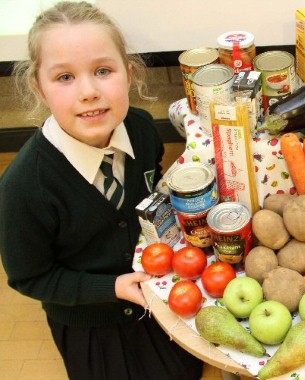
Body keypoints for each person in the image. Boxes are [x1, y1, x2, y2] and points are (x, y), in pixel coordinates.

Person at [0, 2, 203, 379]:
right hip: (89, 319)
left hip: (154, 294)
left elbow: (149, 191)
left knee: (183, 371)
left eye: (103, 71)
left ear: (128, 74)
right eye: (64, 77)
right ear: (38, 88)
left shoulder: (142, 130)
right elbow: (30, 277)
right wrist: (110, 287)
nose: (90, 91)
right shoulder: (23, 188)